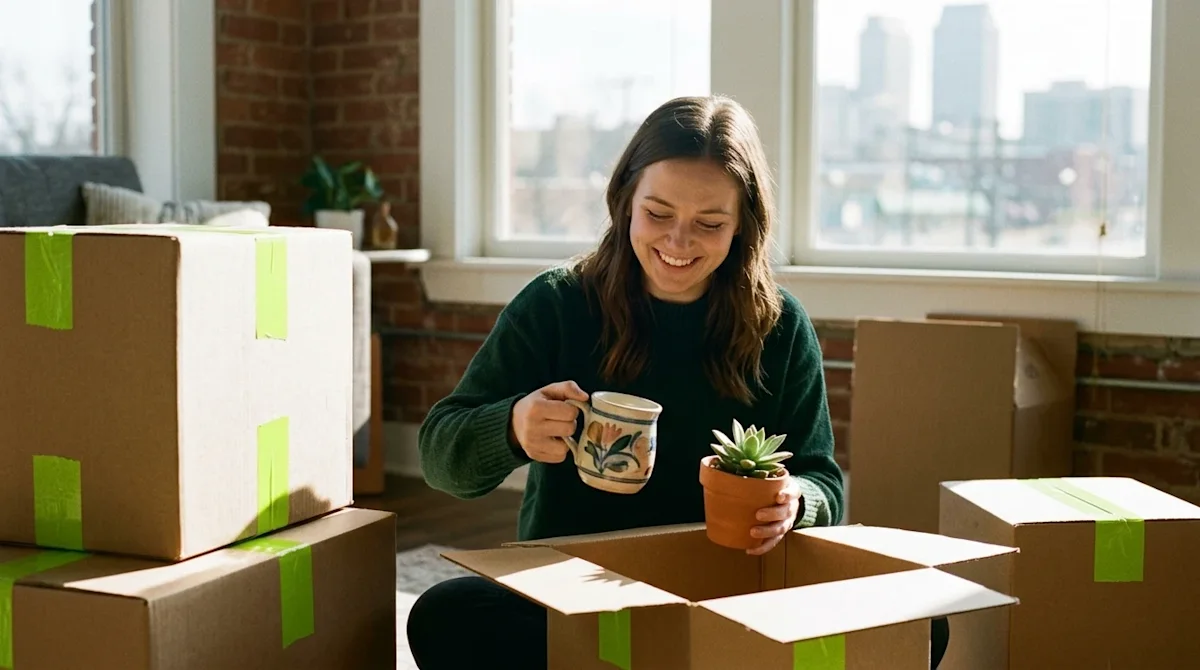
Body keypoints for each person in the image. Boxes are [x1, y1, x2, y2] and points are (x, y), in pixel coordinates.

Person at [406, 95, 949, 669]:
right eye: (658, 214)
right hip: (576, 591)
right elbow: (441, 457)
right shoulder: (556, 304)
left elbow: (822, 479)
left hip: (731, 594)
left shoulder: (780, 325)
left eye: (710, 223)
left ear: (742, 226)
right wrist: (512, 426)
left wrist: (796, 501)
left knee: (921, 621)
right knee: (447, 613)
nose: (678, 242)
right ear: (625, 203)